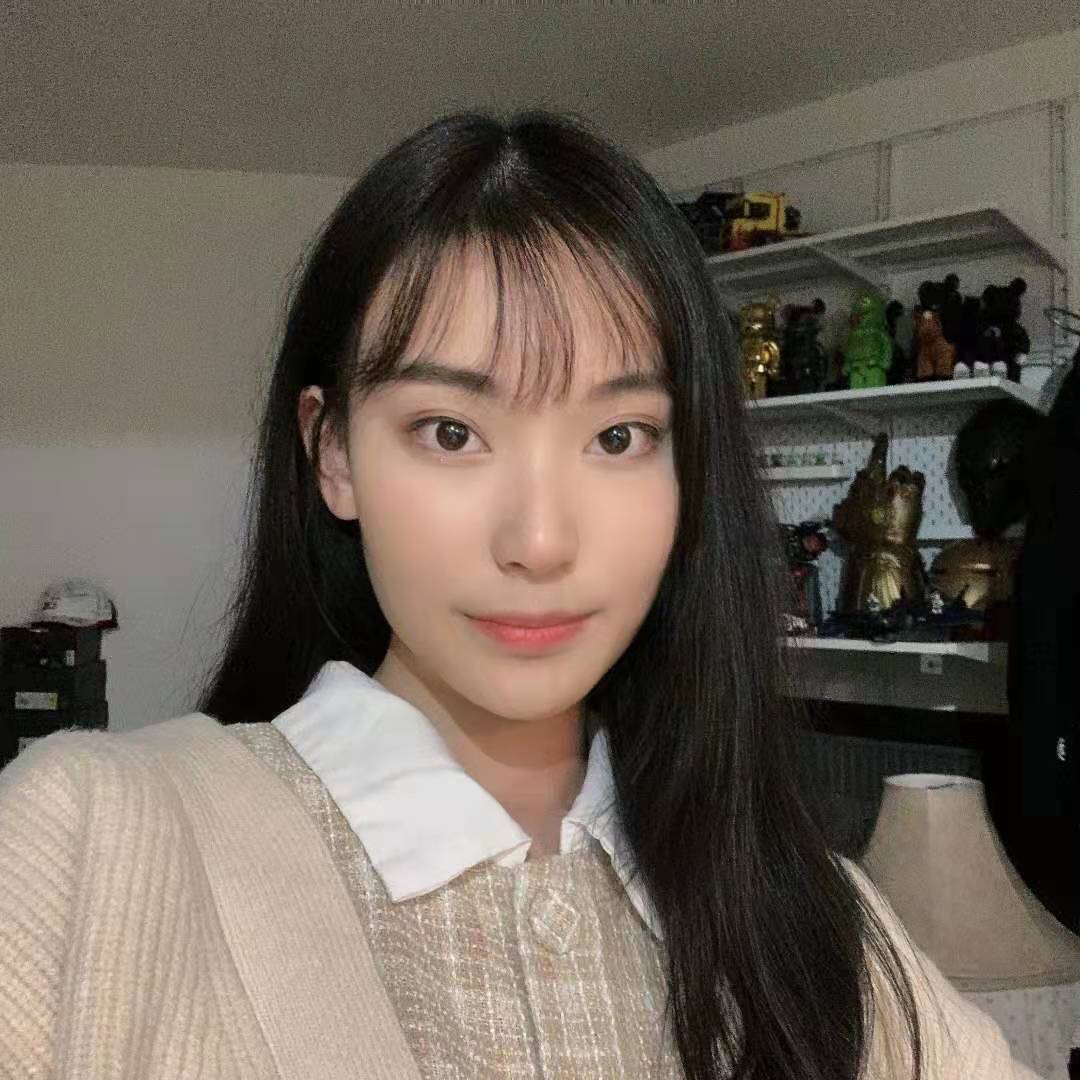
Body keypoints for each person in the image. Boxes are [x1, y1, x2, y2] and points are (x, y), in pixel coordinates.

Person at [0, 111, 1039, 1080]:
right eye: (451, 432)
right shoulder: (93, 839)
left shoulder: (823, 925)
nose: (540, 542)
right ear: (334, 454)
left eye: (619, 437)